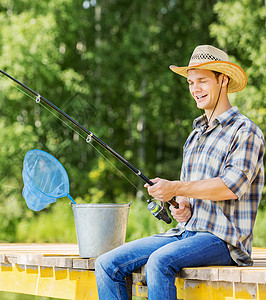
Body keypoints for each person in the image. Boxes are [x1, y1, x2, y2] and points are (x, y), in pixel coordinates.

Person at [94, 45, 265, 300]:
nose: (195, 89)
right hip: (185, 233)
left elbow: (230, 187)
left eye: (203, 81)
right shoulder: (194, 136)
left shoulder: (245, 131)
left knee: (159, 262)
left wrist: (175, 188)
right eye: (190, 82)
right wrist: (182, 206)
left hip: (224, 240)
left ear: (224, 80)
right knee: (107, 264)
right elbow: (190, 196)